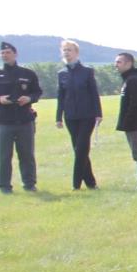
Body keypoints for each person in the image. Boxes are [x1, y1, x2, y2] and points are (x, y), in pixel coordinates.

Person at [55, 39, 101, 190]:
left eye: (69, 50)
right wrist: (58, 117)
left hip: (87, 115)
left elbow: (94, 93)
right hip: (70, 117)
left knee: (81, 148)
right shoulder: (61, 74)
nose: (66, 52)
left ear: (76, 53)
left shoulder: (87, 71)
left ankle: (76, 184)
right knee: (78, 149)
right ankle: (91, 183)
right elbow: (61, 96)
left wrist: (98, 113)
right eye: (64, 50)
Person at [0, 42, 41, 193]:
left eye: (8, 52)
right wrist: (0, 99)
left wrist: (29, 99)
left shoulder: (28, 73)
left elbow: (37, 92)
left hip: (24, 120)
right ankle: (4, 186)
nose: (4, 55)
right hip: (3, 121)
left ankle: (29, 184)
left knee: (27, 155)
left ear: (15, 54)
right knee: (4, 156)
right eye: (2, 53)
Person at [113, 52, 137, 188]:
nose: (116, 65)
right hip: (131, 123)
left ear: (129, 63)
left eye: (119, 62)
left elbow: (135, 104)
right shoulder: (129, 79)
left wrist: (128, 121)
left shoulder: (133, 80)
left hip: (134, 123)